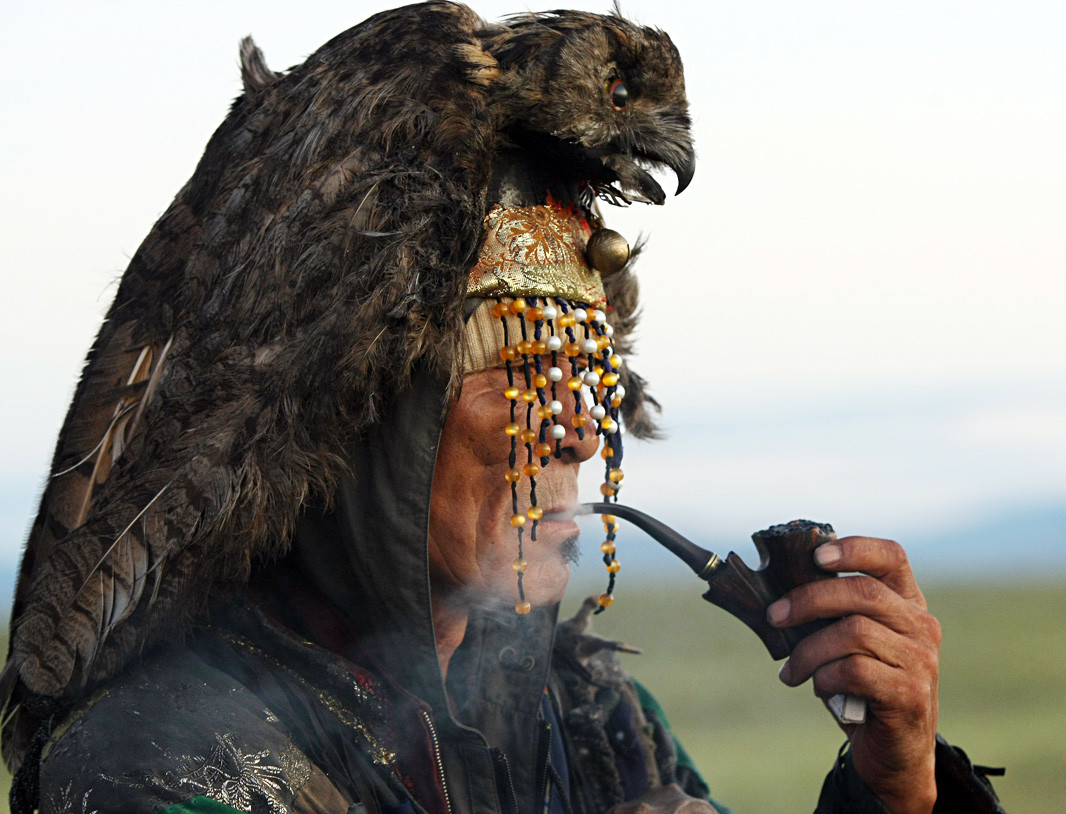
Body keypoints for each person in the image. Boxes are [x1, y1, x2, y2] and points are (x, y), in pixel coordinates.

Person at [6, 6, 1004, 813]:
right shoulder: (157, 763)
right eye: (524, 370)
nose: (577, 429)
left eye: (590, 370)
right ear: (367, 405)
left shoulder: (592, 718)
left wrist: (898, 784)